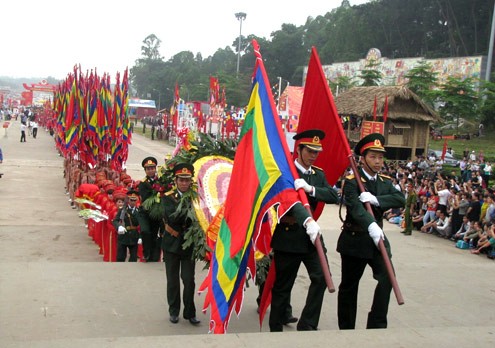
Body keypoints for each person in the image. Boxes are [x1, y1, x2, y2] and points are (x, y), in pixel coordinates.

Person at [269, 129, 339, 332]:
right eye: (309, 151)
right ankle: (275, 329)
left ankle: (307, 324)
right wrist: (306, 220)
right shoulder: (286, 172)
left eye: (316, 152)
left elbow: (332, 196)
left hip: (312, 237)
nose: (313, 155)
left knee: (321, 278)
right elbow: (290, 203)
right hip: (289, 234)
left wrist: (311, 189)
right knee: (283, 286)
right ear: (298, 150)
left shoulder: (318, 174)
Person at [337, 133, 405, 330]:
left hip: (377, 241)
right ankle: (347, 328)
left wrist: (377, 200)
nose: (378, 161)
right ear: (363, 158)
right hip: (355, 239)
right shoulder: (352, 181)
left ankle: (376, 324)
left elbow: (399, 198)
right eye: (373, 156)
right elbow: (356, 209)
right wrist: (371, 224)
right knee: (349, 287)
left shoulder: (384, 181)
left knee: (387, 278)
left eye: (380, 157)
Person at [161, 163, 200, 325]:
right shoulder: (167, 197)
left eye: (187, 180)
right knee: (173, 280)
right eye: (181, 180)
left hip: (188, 245)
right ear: (175, 180)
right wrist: (188, 207)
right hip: (171, 243)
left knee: (189, 279)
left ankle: (190, 312)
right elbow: (172, 217)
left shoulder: (196, 197)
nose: (184, 183)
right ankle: (174, 311)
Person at [137, 157, 163, 262]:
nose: (151, 170)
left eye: (152, 168)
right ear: (145, 170)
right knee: (145, 231)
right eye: (148, 169)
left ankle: (153, 256)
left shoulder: (161, 181)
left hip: (156, 213)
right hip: (145, 212)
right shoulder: (143, 183)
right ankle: (146, 252)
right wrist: (156, 192)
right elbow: (146, 197)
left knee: (154, 234)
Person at [113, 189, 141, 262]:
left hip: (134, 236)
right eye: (131, 200)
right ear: (128, 200)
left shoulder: (139, 211)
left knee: (133, 258)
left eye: (134, 200)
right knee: (120, 257)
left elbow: (141, 225)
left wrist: (140, 237)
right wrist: (119, 226)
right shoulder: (122, 210)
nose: (133, 202)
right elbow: (115, 220)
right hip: (123, 235)